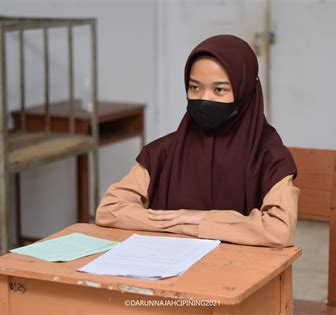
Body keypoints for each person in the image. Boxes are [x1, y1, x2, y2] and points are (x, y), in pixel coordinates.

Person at [95, 34, 299, 247]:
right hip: (172, 271)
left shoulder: (268, 155)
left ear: (245, 92)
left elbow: (279, 230)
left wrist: (200, 220)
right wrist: (180, 224)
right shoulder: (164, 152)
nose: (204, 99)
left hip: (242, 273)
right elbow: (109, 210)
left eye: (219, 89)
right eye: (195, 87)